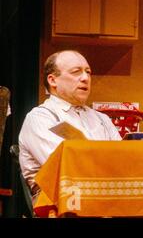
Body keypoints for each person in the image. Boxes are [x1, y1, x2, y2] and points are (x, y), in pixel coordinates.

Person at [19, 50, 122, 199]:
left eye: (88, 72)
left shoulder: (102, 119)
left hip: (107, 195)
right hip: (62, 200)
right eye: (76, 72)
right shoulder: (41, 117)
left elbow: (123, 162)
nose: (85, 78)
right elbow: (65, 168)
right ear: (52, 80)